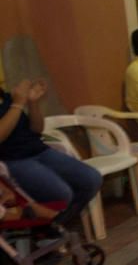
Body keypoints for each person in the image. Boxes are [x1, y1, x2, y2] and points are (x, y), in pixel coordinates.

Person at [0, 79, 101, 229]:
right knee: (62, 193)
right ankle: (50, 229)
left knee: (91, 179)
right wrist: (18, 104)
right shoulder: (15, 101)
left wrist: (33, 103)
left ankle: (56, 225)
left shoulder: (7, 97)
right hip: (13, 160)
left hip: (39, 150)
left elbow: (36, 129)